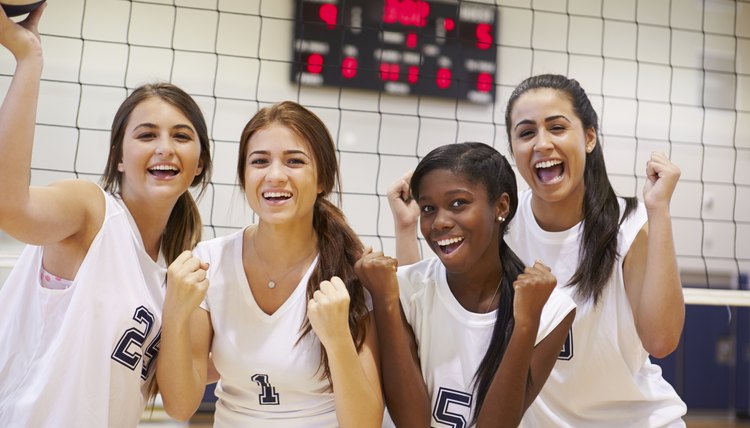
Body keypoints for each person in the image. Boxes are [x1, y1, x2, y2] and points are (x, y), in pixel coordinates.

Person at [390, 74, 687, 427]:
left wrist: (659, 211)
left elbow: (661, 340)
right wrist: (407, 229)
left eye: (557, 128)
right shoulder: (502, 223)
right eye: (527, 133)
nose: (542, 144)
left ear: (589, 137)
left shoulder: (628, 225)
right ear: (513, 148)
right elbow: (428, 306)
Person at [0, 5, 213, 427]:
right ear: (118, 157)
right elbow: (10, 208)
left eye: (181, 136)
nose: (165, 148)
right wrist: (29, 58)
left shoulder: (176, 271)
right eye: (147, 134)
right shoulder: (91, 210)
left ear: (200, 163)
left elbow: (182, 397)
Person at [157, 101, 383, 427]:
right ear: (244, 176)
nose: (275, 175)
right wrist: (175, 314)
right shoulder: (208, 262)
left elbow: (365, 424)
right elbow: (179, 407)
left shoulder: (349, 270)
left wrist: (337, 340)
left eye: (294, 161)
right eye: (260, 161)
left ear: (323, 180)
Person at [357, 142, 576, 427]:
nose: (440, 222)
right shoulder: (399, 290)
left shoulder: (551, 309)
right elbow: (412, 423)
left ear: (501, 206)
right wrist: (386, 302)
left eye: (458, 203)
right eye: (428, 208)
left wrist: (525, 324)